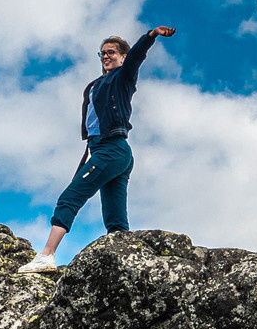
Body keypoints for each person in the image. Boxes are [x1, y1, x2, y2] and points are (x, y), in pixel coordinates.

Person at [18, 25, 174, 273]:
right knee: (115, 219)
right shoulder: (95, 84)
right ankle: (128, 266)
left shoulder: (123, 77)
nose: (105, 56)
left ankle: (46, 256)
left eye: (111, 52)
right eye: (102, 53)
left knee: (70, 198)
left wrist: (151, 36)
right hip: (105, 150)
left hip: (113, 149)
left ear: (123, 56)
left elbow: (137, 57)